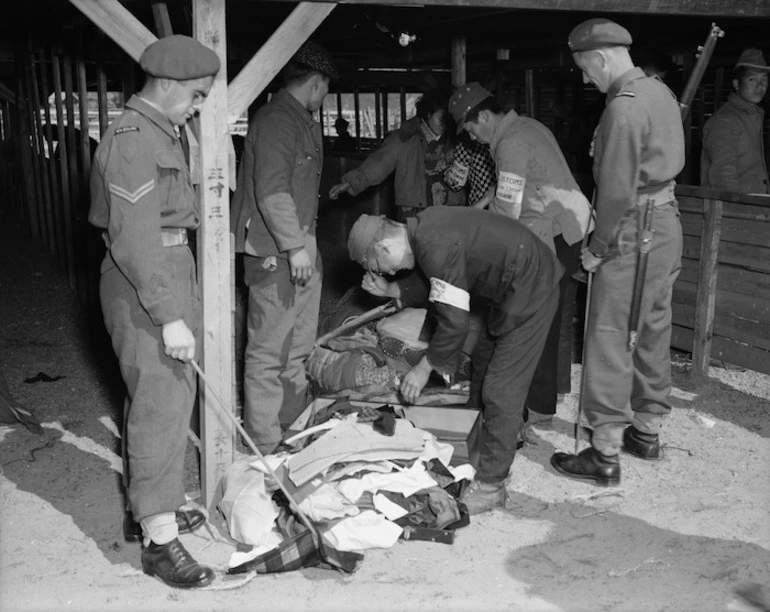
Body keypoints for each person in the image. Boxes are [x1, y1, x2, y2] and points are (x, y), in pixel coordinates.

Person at [89, 35, 220, 588]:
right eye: (193, 95)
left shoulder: (163, 130)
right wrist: (168, 315)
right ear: (165, 84)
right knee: (161, 404)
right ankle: (160, 543)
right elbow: (137, 238)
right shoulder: (132, 139)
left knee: (163, 397)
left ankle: (152, 506)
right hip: (145, 281)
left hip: (166, 272)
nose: (196, 106)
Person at [346, 208, 562, 514]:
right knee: (485, 362)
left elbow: (455, 323)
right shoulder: (423, 231)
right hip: (511, 285)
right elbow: (440, 282)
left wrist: (423, 368)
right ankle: (487, 434)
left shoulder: (435, 244)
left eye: (380, 268)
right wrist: (392, 291)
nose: (389, 273)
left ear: (382, 247)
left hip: (530, 287)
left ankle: (491, 484)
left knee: (501, 388)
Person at [550, 18, 685, 485]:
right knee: (651, 325)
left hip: (633, 231)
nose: (586, 79)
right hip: (666, 223)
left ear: (602, 58)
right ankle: (647, 430)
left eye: (586, 69)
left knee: (609, 331)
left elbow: (614, 190)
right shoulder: (659, 92)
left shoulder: (622, 109)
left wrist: (597, 248)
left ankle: (603, 451)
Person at [448, 81, 592, 426]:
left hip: (556, 231)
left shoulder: (509, 143)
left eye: (470, 128)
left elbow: (509, 212)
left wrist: (476, 231)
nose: (470, 137)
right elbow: (513, 181)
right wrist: (483, 202)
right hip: (573, 224)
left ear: (483, 116)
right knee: (555, 314)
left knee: (535, 317)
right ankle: (551, 393)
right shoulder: (525, 126)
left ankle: (538, 406)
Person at [230, 40, 338, 455]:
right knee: (268, 350)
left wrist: (305, 247)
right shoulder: (277, 120)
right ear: (316, 82)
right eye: (326, 88)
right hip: (276, 251)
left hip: (300, 245)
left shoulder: (300, 119)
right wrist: (294, 248)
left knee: (298, 347)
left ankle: (291, 426)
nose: (325, 96)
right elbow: (273, 191)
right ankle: (263, 440)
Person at [329, 87, 465, 221]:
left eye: (448, 120)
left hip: (449, 213)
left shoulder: (458, 138)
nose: (444, 125)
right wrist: (351, 182)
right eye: (441, 119)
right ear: (428, 113)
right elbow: (379, 163)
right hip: (414, 213)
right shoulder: (404, 139)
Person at [701, 48, 769, 194]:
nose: (759, 86)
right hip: (736, 211)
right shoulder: (726, 120)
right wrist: (737, 212)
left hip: (753, 208)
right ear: (737, 84)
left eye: (763, 79)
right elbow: (722, 176)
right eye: (752, 79)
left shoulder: (752, 115)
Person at [444, 134, 496, 208]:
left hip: (479, 208)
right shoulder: (509, 137)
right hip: (506, 208)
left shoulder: (467, 139)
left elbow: (456, 183)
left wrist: (445, 172)